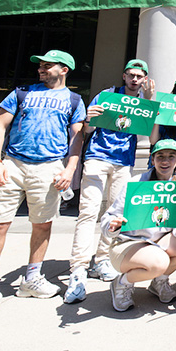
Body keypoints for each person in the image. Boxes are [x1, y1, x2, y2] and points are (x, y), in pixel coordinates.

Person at [0, 50, 86, 320]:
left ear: (64, 69)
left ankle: (33, 276)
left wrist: (69, 169)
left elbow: (77, 138)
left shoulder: (74, 99)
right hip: (13, 163)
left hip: (49, 167)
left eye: (47, 66)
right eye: (40, 66)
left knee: (43, 224)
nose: (41, 69)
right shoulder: (22, 92)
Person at [64, 59, 154, 304]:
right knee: (88, 212)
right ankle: (78, 267)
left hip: (124, 161)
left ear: (144, 79)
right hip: (97, 157)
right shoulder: (106, 95)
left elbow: (149, 131)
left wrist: (151, 100)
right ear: (124, 76)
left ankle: (102, 259)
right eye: (131, 75)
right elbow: (87, 129)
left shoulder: (142, 102)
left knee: (115, 215)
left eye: (139, 76)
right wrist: (89, 119)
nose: (135, 79)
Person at [101, 139, 176, 311]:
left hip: (159, 242)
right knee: (158, 263)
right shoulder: (136, 183)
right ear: (152, 160)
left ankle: (159, 282)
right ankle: (121, 283)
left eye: (171, 156)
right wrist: (113, 225)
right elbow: (109, 218)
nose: (165, 161)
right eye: (160, 156)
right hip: (128, 245)